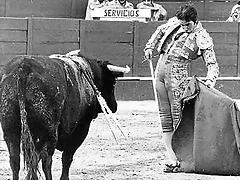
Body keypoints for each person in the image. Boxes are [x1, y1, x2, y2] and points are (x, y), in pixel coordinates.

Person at [144, 4, 219, 172]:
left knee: (178, 117)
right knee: (165, 117)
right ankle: (171, 158)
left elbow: (212, 64)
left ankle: (182, 159)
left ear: (194, 21)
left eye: (187, 25)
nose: (183, 27)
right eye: (182, 24)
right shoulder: (175, 23)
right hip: (160, 73)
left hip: (177, 78)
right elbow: (160, 31)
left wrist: (210, 81)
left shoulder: (202, 36)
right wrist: (149, 46)